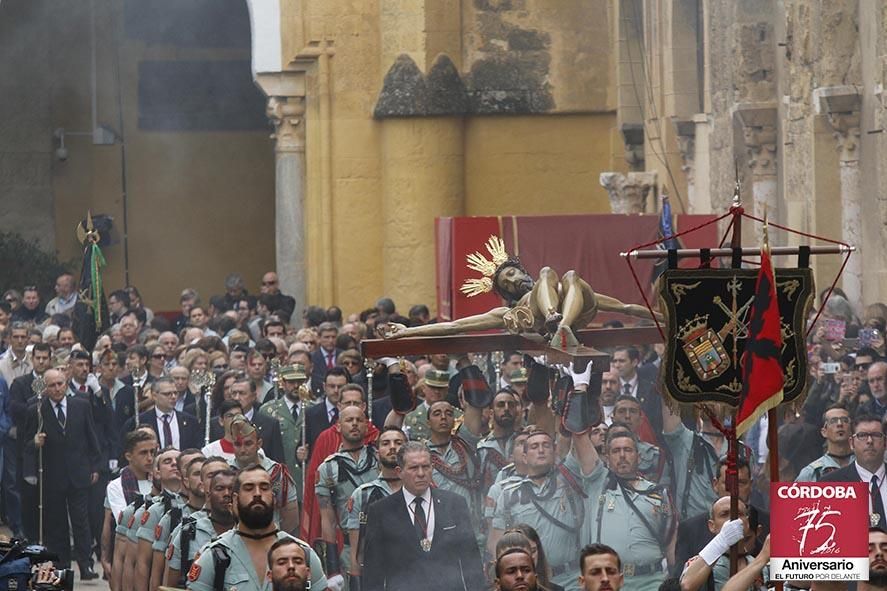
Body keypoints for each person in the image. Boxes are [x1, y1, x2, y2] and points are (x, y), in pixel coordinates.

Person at [379, 236, 656, 348]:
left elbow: (627, 308)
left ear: (522, 271)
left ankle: (562, 327)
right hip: (546, 318)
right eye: (505, 282)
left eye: (512, 273)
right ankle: (557, 324)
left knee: (570, 276)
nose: (511, 281)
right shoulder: (509, 312)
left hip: (573, 313)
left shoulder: (561, 286)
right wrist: (406, 332)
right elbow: (455, 326)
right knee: (551, 273)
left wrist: (667, 320)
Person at [362, 441, 486, 591]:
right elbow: (373, 573)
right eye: (414, 468)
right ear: (399, 472)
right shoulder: (380, 511)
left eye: (426, 467)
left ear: (432, 468)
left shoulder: (454, 504)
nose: (421, 473)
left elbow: (471, 561)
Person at [184, 465, 329, 591]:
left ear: (273, 497)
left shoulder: (302, 554)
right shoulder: (214, 556)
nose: (258, 494)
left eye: (264, 487)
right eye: (249, 488)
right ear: (235, 499)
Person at [24, 367, 101, 579]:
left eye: (60, 384)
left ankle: (86, 564)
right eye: (52, 385)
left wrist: (94, 466)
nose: (57, 389)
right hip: (52, 475)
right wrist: (35, 442)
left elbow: (91, 437)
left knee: (81, 522)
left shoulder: (81, 405)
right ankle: (64, 564)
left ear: (65, 384)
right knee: (56, 523)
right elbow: (26, 444)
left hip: (79, 472)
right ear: (45, 388)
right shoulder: (37, 410)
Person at [315, 406, 379, 583]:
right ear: (338, 426)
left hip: (385, 544)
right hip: (351, 548)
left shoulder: (380, 459)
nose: (355, 424)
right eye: (349, 420)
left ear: (366, 426)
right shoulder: (328, 468)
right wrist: (333, 568)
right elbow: (327, 520)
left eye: (359, 420)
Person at [346, 426, 406, 586]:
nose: (392, 447)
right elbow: (356, 554)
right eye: (386, 443)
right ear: (377, 452)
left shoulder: (421, 491)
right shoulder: (363, 495)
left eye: (398, 442)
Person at [164, 460, 234, 587]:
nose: (226, 494)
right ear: (208, 493)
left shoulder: (250, 534)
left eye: (231, 489)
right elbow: (170, 585)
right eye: (220, 488)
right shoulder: (188, 532)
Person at [229, 416, 300, 533]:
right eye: (237, 444)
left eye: (248, 444)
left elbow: (291, 518)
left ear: (259, 444)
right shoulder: (226, 472)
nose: (242, 450)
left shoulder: (276, 473)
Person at [679, 497, 762, 591]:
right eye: (724, 515)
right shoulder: (700, 563)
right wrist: (723, 540)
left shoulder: (759, 564)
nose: (732, 520)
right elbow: (686, 586)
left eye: (739, 514)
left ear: (746, 523)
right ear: (712, 526)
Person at [823, 414, 887, 528]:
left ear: (885, 442)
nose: (869, 441)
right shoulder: (831, 484)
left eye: (876, 435)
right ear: (851, 443)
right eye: (862, 435)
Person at [259, 363, 309, 497]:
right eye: (291, 382)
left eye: (300, 381)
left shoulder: (313, 409)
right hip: (279, 477)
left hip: (306, 477)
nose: (296, 386)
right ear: (283, 383)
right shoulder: (268, 411)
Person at [122, 377, 202, 450]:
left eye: (175, 393)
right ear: (154, 396)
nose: (173, 397)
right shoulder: (139, 421)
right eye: (167, 394)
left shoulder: (190, 421)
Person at [230, 376, 286, 463]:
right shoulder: (220, 423)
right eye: (234, 393)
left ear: (253, 396)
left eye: (242, 393)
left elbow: (277, 459)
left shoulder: (270, 424)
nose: (237, 398)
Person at [795, 404, 854, 481]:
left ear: (851, 430)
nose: (840, 424)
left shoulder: (865, 466)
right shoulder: (812, 473)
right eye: (833, 421)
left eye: (845, 420)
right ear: (824, 432)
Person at [304, 367, 350, 451]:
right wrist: (300, 455)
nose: (336, 390)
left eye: (340, 386)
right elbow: (304, 444)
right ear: (324, 387)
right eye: (332, 386)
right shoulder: (310, 414)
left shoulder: (353, 413)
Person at [401, 368, 453, 442]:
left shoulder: (458, 416)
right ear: (423, 388)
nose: (437, 391)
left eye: (441, 388)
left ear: (447, 390)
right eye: (432, 387)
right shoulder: (410, 417)